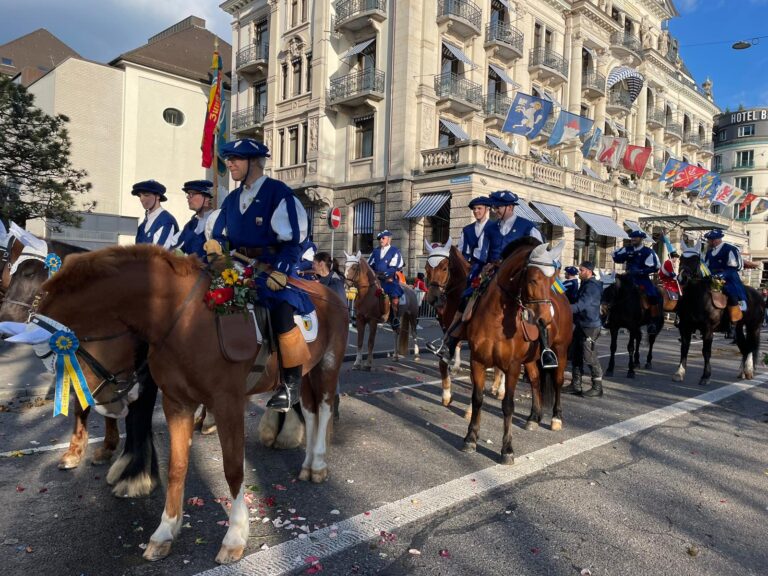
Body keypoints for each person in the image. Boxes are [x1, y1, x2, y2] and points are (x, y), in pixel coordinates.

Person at [206, 138, 311, 412]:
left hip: (271, 268)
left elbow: (294, 241)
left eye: (236, 159)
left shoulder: (279, 194)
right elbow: (220, 237)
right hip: (236, 268)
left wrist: (282, 272)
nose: (229, 163)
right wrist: (217, 249)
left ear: (254, 162)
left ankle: (291, 384)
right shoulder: (231, 199)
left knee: (282, 309)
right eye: (229, 158)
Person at [428, 190, 544, 363]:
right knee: (465, 300)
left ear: (510, 207)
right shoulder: (490, 229)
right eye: (495, 207)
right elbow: (481, 255)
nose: (495, 210)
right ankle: (449, 344)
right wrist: (473, 277)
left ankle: (545, 349)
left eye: (498, 207)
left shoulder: (528, 227)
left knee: (541, 304)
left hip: (519, 277)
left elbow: (539, 254)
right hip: (493, 274)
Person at [563, 261, 604, 397]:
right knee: (576, 355)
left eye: (581, 270)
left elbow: (582, 305)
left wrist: (563, 310)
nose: (579, 272)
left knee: (589, 356)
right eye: (579, 270)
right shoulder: (585, 284)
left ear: (589, 272)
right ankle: (575, 385)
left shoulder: (591, 287)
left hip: (590, 326)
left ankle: (597, 387)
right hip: (581, 324)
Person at [611, 230, 661, 334]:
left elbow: (656, 266)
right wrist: (615, 254)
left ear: (641, 239)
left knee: (653, 295)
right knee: (611, 289)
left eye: (635, 237)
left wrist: (641, 271)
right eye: (632, 237)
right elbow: (617, 258)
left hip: (642, 278)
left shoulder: (648, 252)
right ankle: (609, 317)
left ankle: (652, 321)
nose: (633, 239)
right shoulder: (627, 249)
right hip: (628, 277)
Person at [703, 228, 747, 318]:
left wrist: (720, 275)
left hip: (728, 278)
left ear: (715, 240)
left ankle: (733, 320)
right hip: (711, 278)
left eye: (709, 240)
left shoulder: (730, 249)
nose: (708, 242)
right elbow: (706, 267)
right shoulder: (709, 252)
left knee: (732, 294)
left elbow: (734, 267)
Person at [368, 230, 404, 330]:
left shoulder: (395, 251)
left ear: (389, 239)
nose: (381, 240)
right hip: (376, 280)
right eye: (380, 239)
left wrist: (385, 275)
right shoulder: (375, 251)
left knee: (394, 296)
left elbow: (394, 267)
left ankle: (395, 318)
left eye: (383, 238)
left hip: (389, 280)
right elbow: (369, 265)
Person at [174, 180, 215, 258]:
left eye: (192, 194)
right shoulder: (190, 225)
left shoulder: (217, 221)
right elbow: (179, 248)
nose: (188, 197)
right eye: (188, 194)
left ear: (206, 198)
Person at [133, 180, 179, 246]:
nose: (141, 199)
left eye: (146, 194)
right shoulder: (142, 226)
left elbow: (159, 252)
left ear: (158, 196)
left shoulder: (166, 221)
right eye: (140, 195)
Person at [457, 196, 493, 268]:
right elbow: (461, 250)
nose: (476, 211)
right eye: (474, 208)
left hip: (489, 268)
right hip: (470, 267)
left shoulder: (495, 227)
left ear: (487, 209)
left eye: (479, 208)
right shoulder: (467, 230)